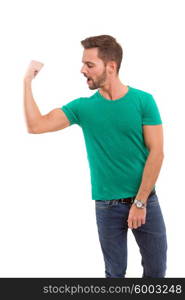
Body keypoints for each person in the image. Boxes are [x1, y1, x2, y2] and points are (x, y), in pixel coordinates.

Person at [23, 35, 167, 278]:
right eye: (83, 64)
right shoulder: (83, 108)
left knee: (156, 272)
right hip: (107, 206)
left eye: (89, 65)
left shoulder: (143, 101)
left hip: (146, 202)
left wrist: (140, 203)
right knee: (114, 274)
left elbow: (157, 153)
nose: (82, 70)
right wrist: (27, 81)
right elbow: (36, 125)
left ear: (111, 66)